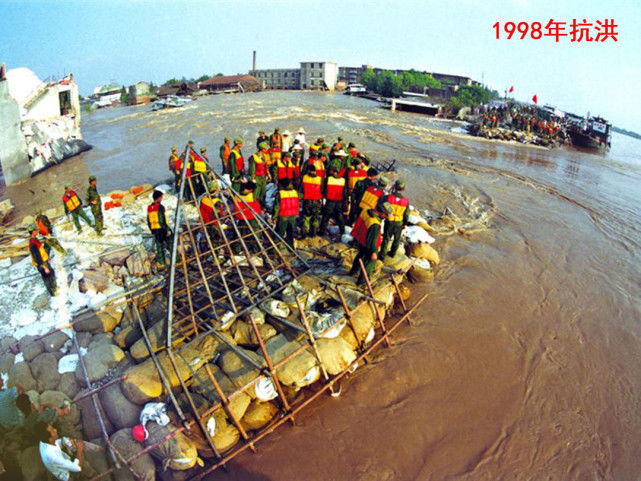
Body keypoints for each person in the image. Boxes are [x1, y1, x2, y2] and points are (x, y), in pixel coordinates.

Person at [349, 203, 392, 285]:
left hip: (360, 238)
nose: (386, 217)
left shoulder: (366, 210)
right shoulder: (374, 224)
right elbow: (373, 241)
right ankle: (362, 281)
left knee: (360, 256)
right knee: (369, 263)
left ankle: (353, 272)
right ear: (382, 213)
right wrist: (374, 252)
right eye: (386, 215)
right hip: (368, 243)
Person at [379, 180, 409, 260]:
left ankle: (382, 256)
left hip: (389, 221)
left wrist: (386, 213)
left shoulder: (388, 197)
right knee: (397, 239)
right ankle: (392, 254)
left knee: (386, 239)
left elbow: (381, 205)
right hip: (399, 222)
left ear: (394, 187)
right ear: (403, 190)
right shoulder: (406, 201)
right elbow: (406, 214)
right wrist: (404, 224)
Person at [233, 182, 261, 253]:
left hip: (242, 218)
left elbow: (236, 208)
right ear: (251, 190)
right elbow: (257, 209)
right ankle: (256, 250)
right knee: (255, 234)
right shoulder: (252, 196)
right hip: (252, 218)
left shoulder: (237, 196)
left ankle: (237, 250)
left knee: (240, 235)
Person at [29, 224, 57, 295]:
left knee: (51, 274)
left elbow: (41, 252)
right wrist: (44, 266)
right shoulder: (33, 243)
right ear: (33, 232)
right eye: (35, 230)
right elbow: (36, 257)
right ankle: (53, 292)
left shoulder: (35, 240)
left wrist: (47, 258)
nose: (37, 231)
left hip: (44, 261)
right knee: (47, 278)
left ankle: (54, 289)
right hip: (41, 264)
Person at [147, 190, 172, 268]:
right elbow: (162, 219)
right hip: (161, 229)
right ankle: (176, 260)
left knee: (159, 246)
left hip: (155, 230)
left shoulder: (149, 207)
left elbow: (148, 220)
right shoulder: (160, 207)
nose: (162, 199)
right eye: (161, 197)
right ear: (158, 198)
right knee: (170, 244)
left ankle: (161, 262)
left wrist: (151, 230)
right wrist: (167, 229)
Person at [320, 166, 347, 235]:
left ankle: (322, 231)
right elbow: (344, 193)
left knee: (326, 216)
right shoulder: (343, 180)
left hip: (330, 201)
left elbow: (324, 190)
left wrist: (324, 199)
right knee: (340, 216)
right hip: (339, 201)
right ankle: (342, 231)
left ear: (333, 171)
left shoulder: (328, 179)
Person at [273, 178, 299, 246]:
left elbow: (276, 207)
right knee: (290, 234)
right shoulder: (295, 192)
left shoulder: (280, 194)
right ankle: (291, 249)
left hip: (283, 216)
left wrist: (274, 217)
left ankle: (274, 250)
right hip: (293, 216)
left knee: (279, 233)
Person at [300, 165, 323, 237]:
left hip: (307, 200)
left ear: (309, 170)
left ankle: (304, 233)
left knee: (306, 217)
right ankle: (313, 233)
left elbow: (301, 189)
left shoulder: (304, 177)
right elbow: (322, 190)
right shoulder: (320, 179)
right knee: (315, 217)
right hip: (317, 201)